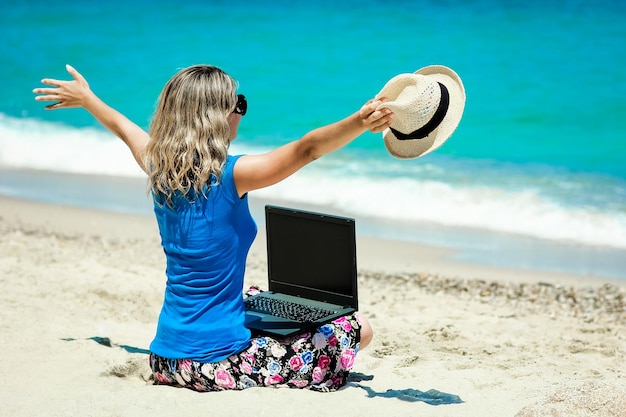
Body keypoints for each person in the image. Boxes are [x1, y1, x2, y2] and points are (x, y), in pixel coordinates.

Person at [33, 64, 392, 392]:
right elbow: (307, 149)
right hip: (214, 364)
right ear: (217, 115)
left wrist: (87, 98)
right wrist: (360, 121)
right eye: (238, 104)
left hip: (164, 360)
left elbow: (124, 128)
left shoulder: (159, 166)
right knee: (357, 328)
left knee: (253, 294)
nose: (241, 112)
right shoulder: (234, 175)